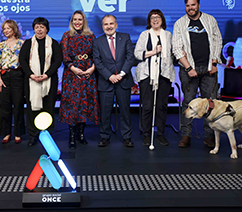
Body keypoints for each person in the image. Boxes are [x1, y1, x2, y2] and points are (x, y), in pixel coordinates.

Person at [172, 0, 223, 148]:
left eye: (193, 5)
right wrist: (188, 67)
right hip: (189, 70)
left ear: (199, 5)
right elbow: (176, 48)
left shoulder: (210, 20)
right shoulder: (180, 23)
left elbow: (217, 41)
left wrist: (214, 62)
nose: (190, 8)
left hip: (209, 69)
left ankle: (209, 136)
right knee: (188, 103)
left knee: (210, 103)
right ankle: (186, 136)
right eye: (187, 6)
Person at [134, 9, 175, 147]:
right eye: (152, 18)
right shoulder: (144, 35)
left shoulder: (169, 35)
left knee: (162, 106)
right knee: (147, 106)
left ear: (162, 20)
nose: (155, 20)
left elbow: (173, 53)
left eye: (157, 17)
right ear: (149, 21)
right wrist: (153, 52)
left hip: (164, 75)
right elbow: (137, 54)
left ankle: (160, 134)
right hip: (146, 75)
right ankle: (146, 134)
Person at [93, 14, 135, 148]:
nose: (109, 26)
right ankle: (104, 137)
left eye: (111, 24)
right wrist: (109, 76)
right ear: (102, 26)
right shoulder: (97, 41)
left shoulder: (126, 37)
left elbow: (130, 57)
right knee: (105, 112)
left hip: (123, 80)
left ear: (116, 25)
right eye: (106, 24)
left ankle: (127, 137)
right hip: (106, 82)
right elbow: (97, 62)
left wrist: (121, 74)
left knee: (125, 111)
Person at [59, 10, 100, 149]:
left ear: (84, 21)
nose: (77, 22)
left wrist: (92, 68)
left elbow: (97, 55)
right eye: (74, 19)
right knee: (73, 104)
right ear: (71, 21)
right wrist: (73, 68)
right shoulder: (66, 36)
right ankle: (71, 135)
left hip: (88, 72)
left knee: (85, 103)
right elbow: (64, 56)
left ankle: (81, 134)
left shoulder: (91, 36)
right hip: (72, 74)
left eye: (80, 20)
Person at [19, 17, 62, 147]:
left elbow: (57, 61)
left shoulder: (53, 43)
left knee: (48, 108)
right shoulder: (27, 44)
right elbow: (23, 61)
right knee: (33, 108)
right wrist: (31, 75)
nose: (39, 29)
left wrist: (46, 75)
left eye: (42, 27)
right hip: (31, 81)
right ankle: (33, 135)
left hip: (49, 81)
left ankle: (47, 134)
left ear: (47, 29)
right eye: (37, 27)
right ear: (34, 29)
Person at [0, 20, 25, 144]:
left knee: (18, 105)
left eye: (8, 28)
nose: (6, 31)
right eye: (4, 29)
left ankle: (18, 133)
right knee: (4, 106)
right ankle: (6, 132)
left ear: (14, 29)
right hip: (4, 75)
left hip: (18, 75)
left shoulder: (22, 43)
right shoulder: (1, 45)